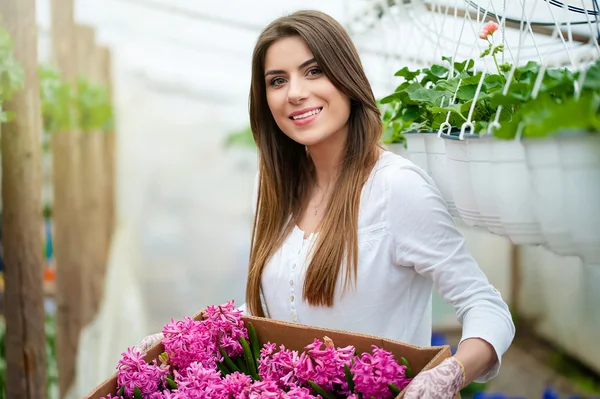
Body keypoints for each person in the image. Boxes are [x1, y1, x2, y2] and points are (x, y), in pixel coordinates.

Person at [137, 10, 515, 398]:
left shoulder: (395, 188)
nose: (295, 92)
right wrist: (188, 342)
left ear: (347, 77)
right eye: (277, 81)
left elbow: (486, 307)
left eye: (314, 71)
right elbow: (278, 311)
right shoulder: (271, 189)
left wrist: (448, 374)